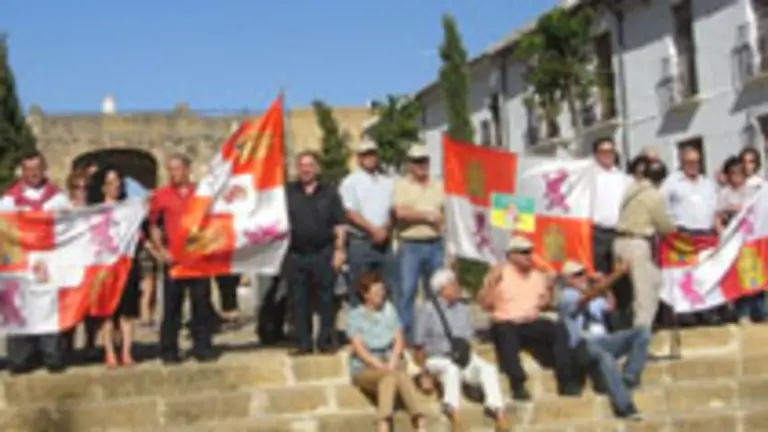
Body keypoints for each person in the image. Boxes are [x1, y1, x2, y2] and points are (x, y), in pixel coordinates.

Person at [478, 235, 577, 401]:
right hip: (506, 321)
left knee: (558, 329)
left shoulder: (536, 276)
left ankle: (566, 380)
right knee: (506, 333)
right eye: (524, 252)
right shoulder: (500, 274)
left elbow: (544, 304)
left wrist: (550, 288)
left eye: (530, 252)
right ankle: (517, 384)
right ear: (512, 255)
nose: (528, 256)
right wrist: (490, 286)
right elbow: (485, 304)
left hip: (530, 321)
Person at [1, 150, 70, 374]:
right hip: (19, 265)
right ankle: (21, 357)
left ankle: (52, 355)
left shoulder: (57, 198)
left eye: (37, 168)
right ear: (22, 171)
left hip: (49, 263)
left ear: (44, 169)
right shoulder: (9, 200)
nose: (33, 173)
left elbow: (71, 224)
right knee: (20, 308)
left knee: (48, 307)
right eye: (28, 169)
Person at [413, 268, 507, 432]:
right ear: (442, 289)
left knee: (488, 369)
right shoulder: (427, 309)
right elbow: (418, 344)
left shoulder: (463, 308)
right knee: (451, 369)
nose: (457, 288)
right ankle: (453, 411)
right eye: (453, 285)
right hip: (438, 357)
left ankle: (497, 410)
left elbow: (468, 337)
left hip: (461, 355)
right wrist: (424, 373)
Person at [148, 153, 218, 364]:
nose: (173, 173)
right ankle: (169, 350)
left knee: (201, 305)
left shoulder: (202, 193)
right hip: (174, 261)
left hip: (199, 260)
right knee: (171, 308)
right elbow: (153, 225)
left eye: (177, 168)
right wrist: (161, 251)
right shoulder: (161, 195)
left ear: (187, 170)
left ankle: (202, 347)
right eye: (170, 169)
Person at [558, 260, 648, 420]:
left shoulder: (594, 296)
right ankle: (625, 406)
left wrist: (604, 286)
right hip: (583, 345)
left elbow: (610, 306)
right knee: (606, 358)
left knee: (642, 332)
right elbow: (587, 297)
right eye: (577, 276)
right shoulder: (567, 295)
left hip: (605, 340)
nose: (582, 278)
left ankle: (630, 377)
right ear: (567, 280)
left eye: (583, 274)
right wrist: (616, 275)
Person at [346, 272, 426, 432]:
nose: (380, 295)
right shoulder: (355, 316)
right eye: (376, 292)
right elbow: (359, 348)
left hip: (390, 361)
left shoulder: (389, 309)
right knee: (392, 375)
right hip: (366, 367)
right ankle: (407, 421)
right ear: (365, 295)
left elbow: (398, 338)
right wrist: (378, 365)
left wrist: (393, 360)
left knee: (395, 375)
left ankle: (393, 422)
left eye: (382, 291)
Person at [285, 151, 346, 354]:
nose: (306, 169)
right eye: (302, 165)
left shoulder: (329, 192)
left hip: (324, 252)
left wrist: (340, 250)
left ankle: (326, 341)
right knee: (298, 300)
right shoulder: (288, 192)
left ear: (317, 168)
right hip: (296, 254)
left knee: (327, 299)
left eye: (310, 165)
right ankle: (303, 342)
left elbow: (340, 224)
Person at [86, 165, 141, 368]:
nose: (115, 186)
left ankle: (126, 352)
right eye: (110, 183)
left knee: (127, 313)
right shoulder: (94, 211)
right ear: (102, 187)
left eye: (118, 182)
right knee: (107, 313)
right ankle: (109, 351)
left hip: (126, 264)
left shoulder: (130, 207)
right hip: (104, 267)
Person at [613, 161, 676, 330]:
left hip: (619, 241)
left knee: (636, 290)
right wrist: (677, 231)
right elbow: (663, 225)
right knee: (645, 297)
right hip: (637, 243)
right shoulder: (653, 195)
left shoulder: (631, 189)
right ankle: (640, 340)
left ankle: (630, 332)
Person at [394, 144, 445, 343]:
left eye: (424, 160)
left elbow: (445, 212)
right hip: (411, 244)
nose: (420, 165)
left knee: (435, 290)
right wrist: (427, 216)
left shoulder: (439, 184)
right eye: (416, 161)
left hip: (435, 243)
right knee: (407, 292)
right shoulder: (402, 185)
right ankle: (405, 337)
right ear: (409, 164)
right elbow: (400, 213)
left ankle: (435, 333)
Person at [339, 140, 396, 307]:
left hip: (384, 243)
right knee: (360, 290)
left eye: (372, 153)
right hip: (361, 242)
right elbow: (350, 211)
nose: (370, 158)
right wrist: (372, 230)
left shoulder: (388, 182)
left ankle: (385, 330)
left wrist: (385, 229)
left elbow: (393, 210)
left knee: (388, 288)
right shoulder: (350, 182)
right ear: (359, 158)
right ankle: (360, 331)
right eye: (365, 155)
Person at [717, 157, 765, 323]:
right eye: (732, 173)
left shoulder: (754, 191)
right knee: (739, 279)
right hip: (733, 244)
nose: (736, 176)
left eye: (739, 172)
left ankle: (760, 312)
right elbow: (717, 216)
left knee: (755, 277)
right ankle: (742, 313)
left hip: (753, 242)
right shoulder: (724, 193)